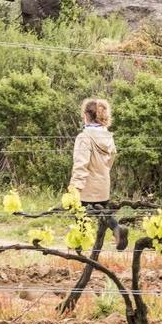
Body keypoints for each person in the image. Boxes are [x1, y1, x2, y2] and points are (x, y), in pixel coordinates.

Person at [69, 98, 128, 251]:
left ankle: (79, 251)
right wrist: (103, 171)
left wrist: (75, 187)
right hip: (103, 185)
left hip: (87, 187)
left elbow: (81, 164)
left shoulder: (84, 137)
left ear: (86, 115)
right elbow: (111, 158)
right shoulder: (107, 136)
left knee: (80, 217)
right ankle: (116, 229)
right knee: (103, 213)